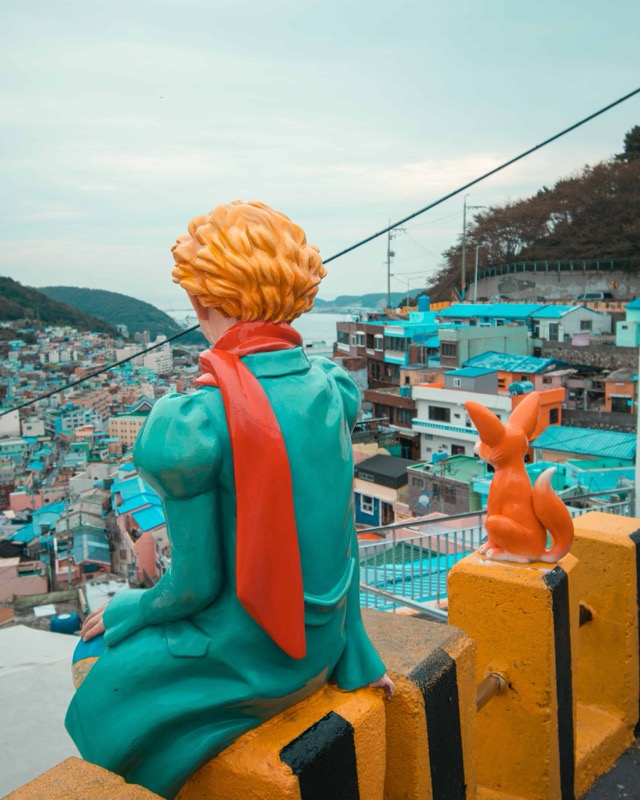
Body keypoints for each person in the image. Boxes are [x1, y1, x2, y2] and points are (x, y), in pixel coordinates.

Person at [65, 200, 393, 799]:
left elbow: (193, 588)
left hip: (250, 662)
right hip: (322, 651)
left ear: (200, 301)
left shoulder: (192, 420)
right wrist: (360, 657)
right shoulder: (330, 387)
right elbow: (339, 542)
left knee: (92, 666)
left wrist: (128, 608)